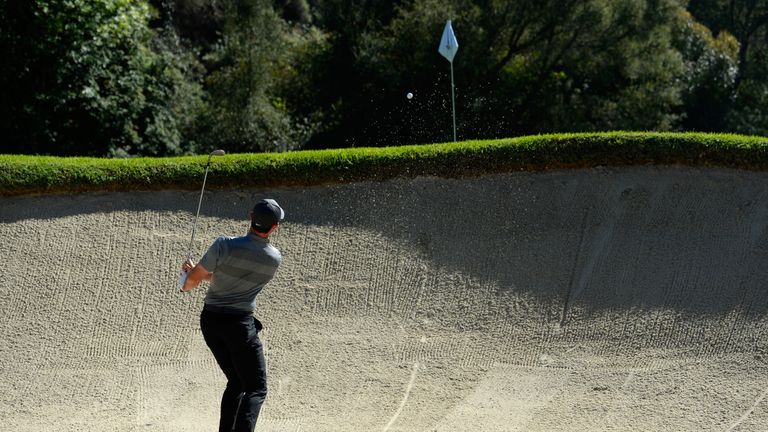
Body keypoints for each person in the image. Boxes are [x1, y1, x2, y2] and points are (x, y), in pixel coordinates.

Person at [180, 198, 284, 432]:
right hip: (239, 326)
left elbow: (192, 283)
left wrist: (189, 276)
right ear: (274, 227)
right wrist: (198, 274)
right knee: (256, 388)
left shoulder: (224, 245)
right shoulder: (274, 258)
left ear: (250, 217)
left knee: (237, 382)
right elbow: (237, 279)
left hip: (211, 322)